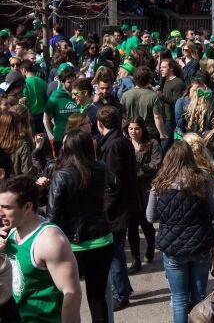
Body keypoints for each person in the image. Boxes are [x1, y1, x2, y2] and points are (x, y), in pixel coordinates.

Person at [146, 142, 214, 323]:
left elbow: (150, 216)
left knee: (179, 299)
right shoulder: (201, 181)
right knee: (199, 296)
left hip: (173, 248)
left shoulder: (159, 185)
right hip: (200, 244)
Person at [48, 130, 115, 322]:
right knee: (97, 297)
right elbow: (115, 186)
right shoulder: (101, 168)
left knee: (70, 296)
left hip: (73, 245)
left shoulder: (61, 176)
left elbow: (53, 216)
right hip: (102, 239)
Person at [0, 176, 82, 323]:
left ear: (27, 207)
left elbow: (72, 293)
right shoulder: (11, 232)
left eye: (6, 207)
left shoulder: (50, 241)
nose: (0, 213)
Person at [95, 105, 138, 311]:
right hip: (123, 206)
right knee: (117, 252)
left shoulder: (113, 146)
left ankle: (120, 294)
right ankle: (124, 288)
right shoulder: (119, 142)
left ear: (100, 124)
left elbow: (112, 183)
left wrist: (104, 208)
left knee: (115, 254)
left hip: (116, 210)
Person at [124, 116, 161, 273]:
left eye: (137, 128)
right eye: (131, 128)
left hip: (146, 189)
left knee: (146, 223)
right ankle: (135, 258)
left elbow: (156, 164)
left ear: (142, 129)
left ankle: (151, 246)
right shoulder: (125, 143)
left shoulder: (152, 143)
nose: (133, 132)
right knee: (132, 226)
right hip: (130, 190)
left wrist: (139, 168)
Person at [121, 66, 168, 141]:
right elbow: (157, 117)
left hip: (131, 132)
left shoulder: (125, 95)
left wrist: (124, 130)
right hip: (149, 132)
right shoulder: (153, 96)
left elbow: (122, 115)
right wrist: (162, 134)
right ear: (149, 80)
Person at [159, 58, 185, 151]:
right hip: (163, 117)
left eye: (164, 67)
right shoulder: (164, 80)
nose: (161, 69)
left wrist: (161, 96)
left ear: (171, 68)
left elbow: (177, 102)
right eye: (161, 67)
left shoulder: (178, 83)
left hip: (171, 119)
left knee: (165, 146)